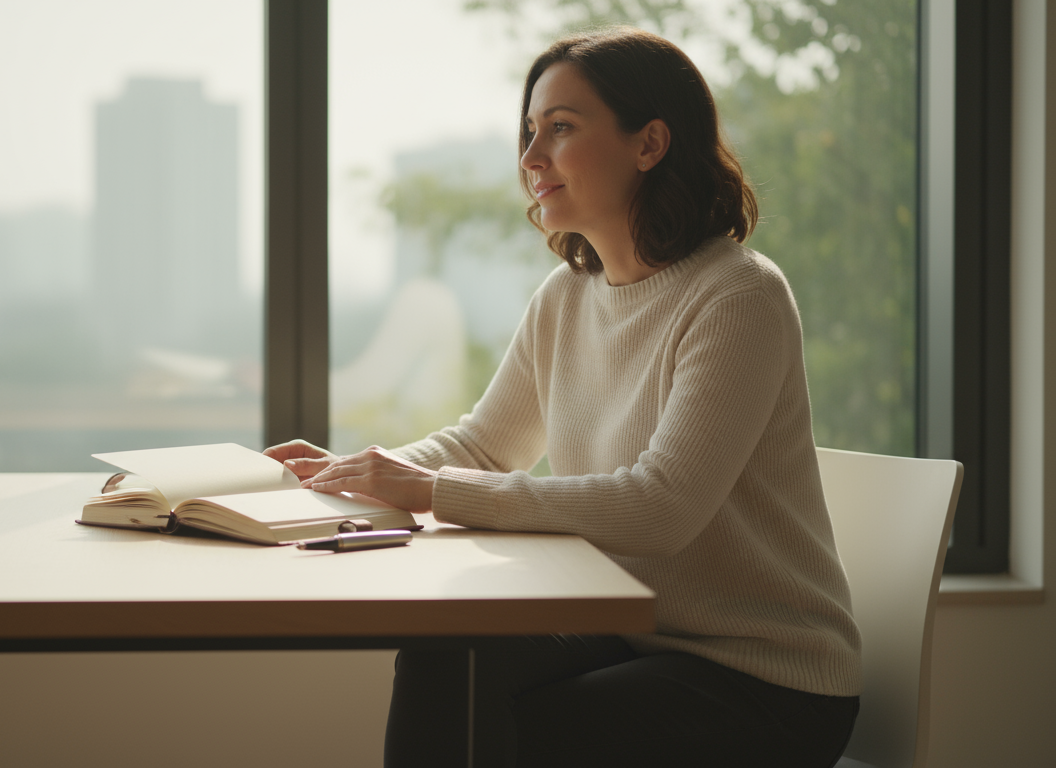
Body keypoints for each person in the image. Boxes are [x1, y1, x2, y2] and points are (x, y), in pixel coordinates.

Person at [265, 26, 860, 768]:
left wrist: (431, 490)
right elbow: (482, 445)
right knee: (448, 654)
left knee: (524, 732)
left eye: (561, 128)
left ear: (649, 143)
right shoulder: (567, 296)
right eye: (529, 131)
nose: (530, 158)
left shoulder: (739, 295)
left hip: (766, 681)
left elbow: (662, 506)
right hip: (637, 634)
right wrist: (350, 474)